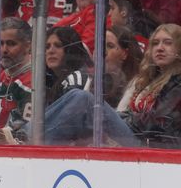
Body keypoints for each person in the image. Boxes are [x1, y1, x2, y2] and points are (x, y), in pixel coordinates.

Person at [38, 23, 181, 148]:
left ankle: (32, 139)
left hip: (151, 146)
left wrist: (118, 118)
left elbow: (156, 122)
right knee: (83, 110)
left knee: (84, 99)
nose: (160, 48)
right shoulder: (149, 80)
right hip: (136, 136)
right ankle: (33, 139)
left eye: (167, 43)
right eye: (155, 43)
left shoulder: (178, 83)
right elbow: (137, 116)